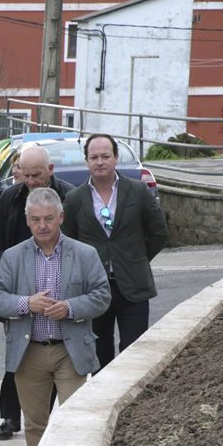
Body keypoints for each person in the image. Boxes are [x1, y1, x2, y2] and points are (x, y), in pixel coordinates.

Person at [0, 188, 110, 446]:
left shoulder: (85, 254)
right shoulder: (13, 256)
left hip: (70, 351)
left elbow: (102, 296)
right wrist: (26, 304)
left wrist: (69, 308)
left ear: (61, 217)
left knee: (73, 422)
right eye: (35, 219)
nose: (42, 225)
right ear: (27, 220)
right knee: (35, 425)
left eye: (49, 218)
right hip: (28, 352)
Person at [62, 134, 168, 369]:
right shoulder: (75, 199)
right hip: (94, 288)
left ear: (116, 158)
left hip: (133, 287)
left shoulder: (138, 191)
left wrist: (136, 258)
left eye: (105, 156)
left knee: (134, 354)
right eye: (94, 157)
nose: (100, 162)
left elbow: (159, 232)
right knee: (100, 356)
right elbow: (68, 242)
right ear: (87, 161)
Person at [0, 145, 76, 440]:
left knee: (52, 351)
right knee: (18, 352)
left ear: (50, 170)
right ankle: (10, 415)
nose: (29, 181)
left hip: (57, 286)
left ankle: (46, 414)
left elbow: (76, 244)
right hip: (18, 289)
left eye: (36, 175)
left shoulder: (68, 196)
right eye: (24, 175)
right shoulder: (9, 198)